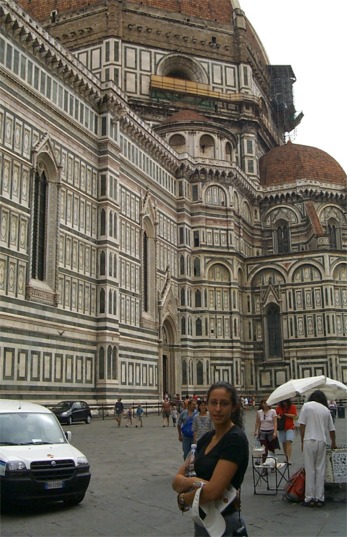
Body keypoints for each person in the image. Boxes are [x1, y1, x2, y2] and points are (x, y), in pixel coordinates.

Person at [172, 381, 249, 537]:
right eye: (213, 403)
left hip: (225, 524)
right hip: (202, 523)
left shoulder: (235, 439)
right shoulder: (206, 439)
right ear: (206, 405)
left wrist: (183, 498)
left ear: (234, 407)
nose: (218, 409)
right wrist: (199, 483)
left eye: (224, 403)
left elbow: (213, 492)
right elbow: (176, 481)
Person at [298, 390, 336, 507]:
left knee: (310, 470)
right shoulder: (326, 410)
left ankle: (309, 498)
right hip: (321, 441)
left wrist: (302, 441)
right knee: (320, 469)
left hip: (309, 440)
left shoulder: (306, 406)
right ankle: (319, 498)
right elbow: (331, 429)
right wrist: (333, 442)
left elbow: (302, 425)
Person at [276, 398, 297, 463]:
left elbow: (295, 416)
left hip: (290, 427)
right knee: (284, 443)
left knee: (288, 442)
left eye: (285, 401)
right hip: (281, 427)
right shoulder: (278, 408)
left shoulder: (293, 407)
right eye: (283, 402)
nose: (284, 403)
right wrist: (278, 416)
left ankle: (288, 458)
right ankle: (286, 456)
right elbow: (275, 415)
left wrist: (286, 415)